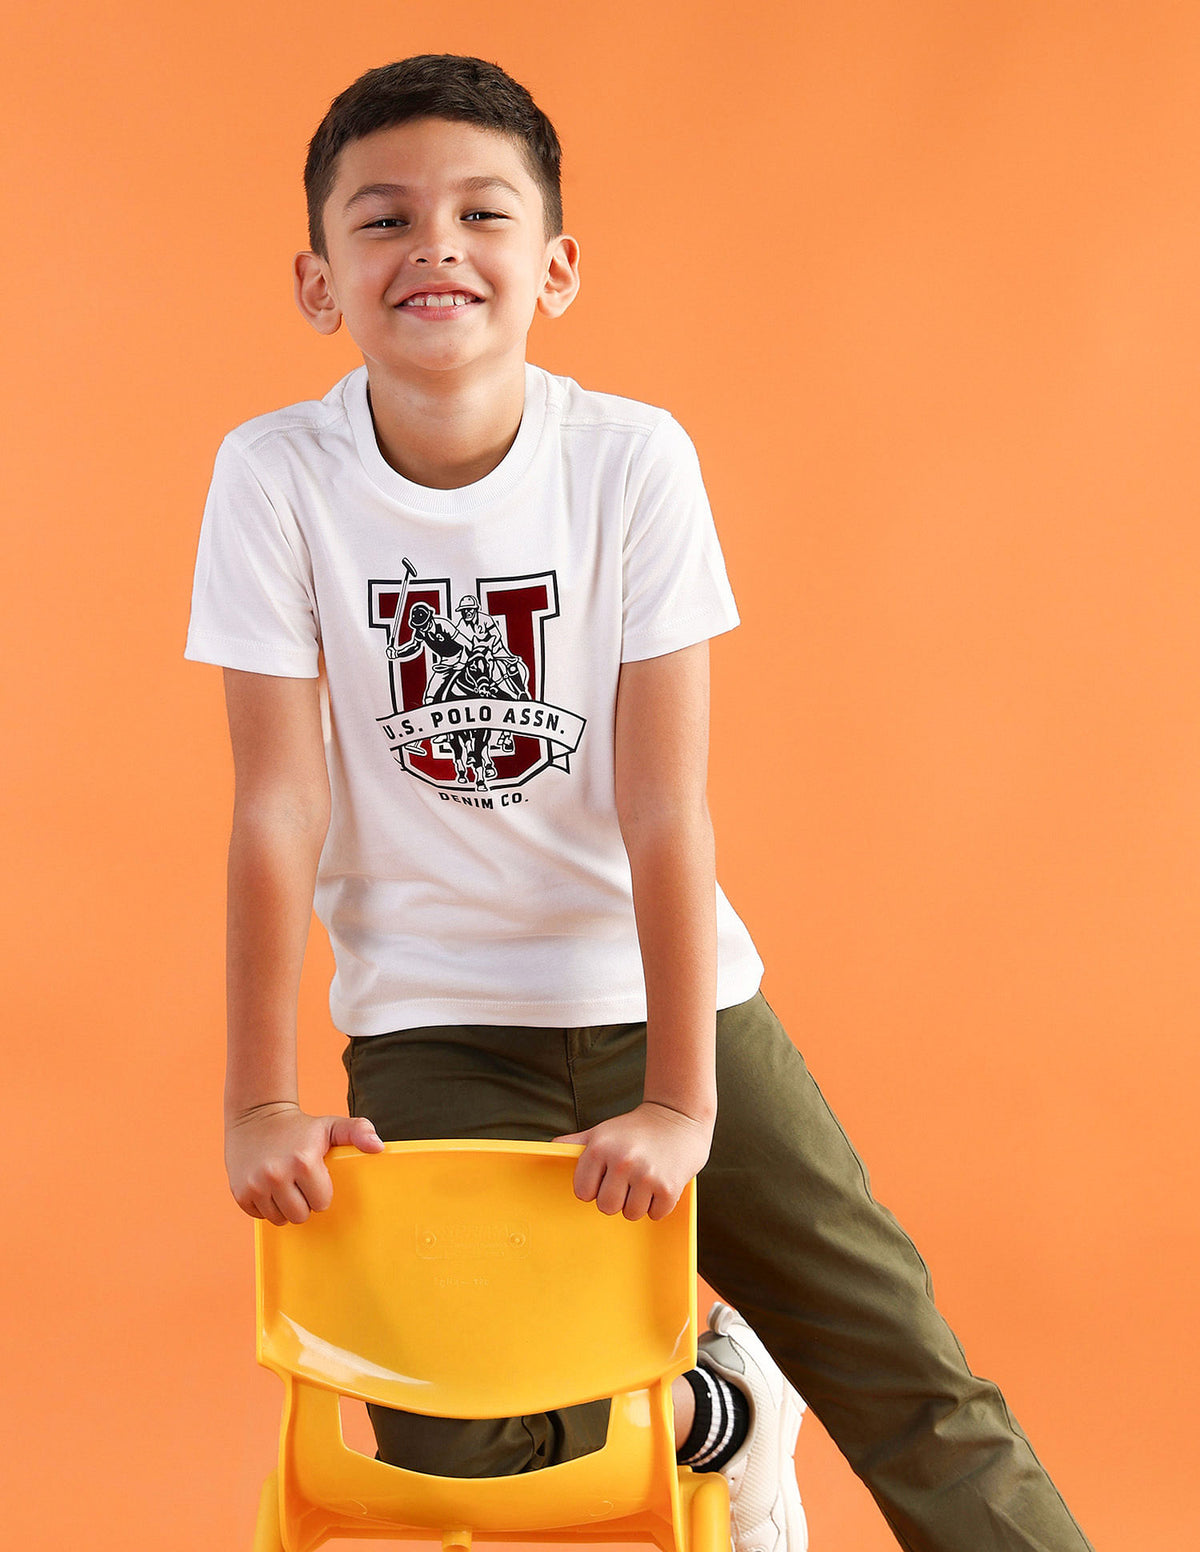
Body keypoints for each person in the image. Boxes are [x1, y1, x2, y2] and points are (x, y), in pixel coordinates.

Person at [184, 53, 1095, 1552]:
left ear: (555, 270)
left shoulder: (631, 463)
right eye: (383, 218)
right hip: (435, 1027)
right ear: (316, 279)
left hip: (667, 1000)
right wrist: (257, 1101)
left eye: (483, 213)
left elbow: (664, 806)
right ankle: (717, 1409)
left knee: (903, 1369)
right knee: (447, 1422)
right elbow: (276, 806)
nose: (434, 246)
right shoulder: (275, 478)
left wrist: (681, 1096)